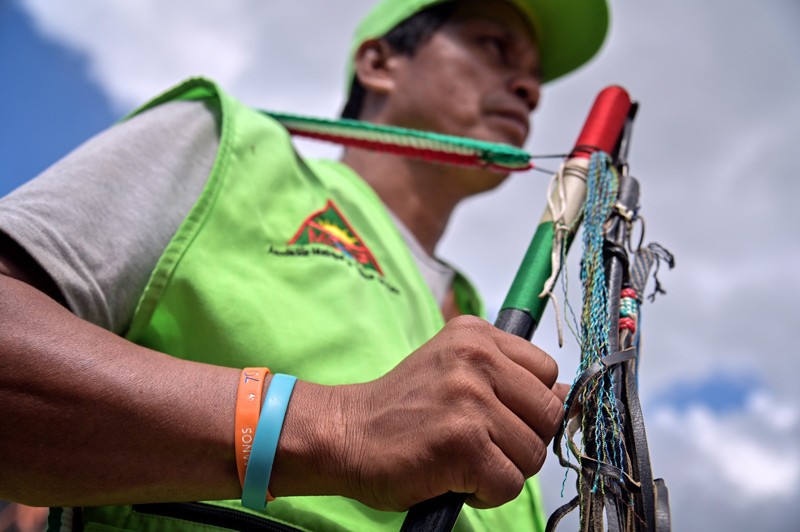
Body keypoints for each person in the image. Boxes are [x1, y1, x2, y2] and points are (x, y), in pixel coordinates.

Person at [0, 0, 608, 530]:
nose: (528, 88)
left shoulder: (485, 321)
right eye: (494, 46)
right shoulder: (230, 150)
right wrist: (341, 427)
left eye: (532, 77)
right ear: (379, 64)